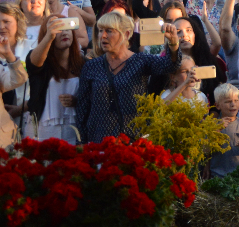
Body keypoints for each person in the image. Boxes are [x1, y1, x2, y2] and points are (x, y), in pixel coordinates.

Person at [73, 11, 182, 142]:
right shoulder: (91, 67)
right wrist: (82, 142)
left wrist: (174, 44)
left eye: (109, 31)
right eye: (100, 31)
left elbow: (170, 65)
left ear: (126, 34)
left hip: (133, 142)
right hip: (99, 142)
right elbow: (82, 109)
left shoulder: (141, 61)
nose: (103, 36)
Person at [210, 83, 239, 177]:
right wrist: (217, 130)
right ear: (217, 105)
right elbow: (205, 150)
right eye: (228, 102)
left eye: (236, 100)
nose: (233, 104)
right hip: (218, 177)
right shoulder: (212, 126)